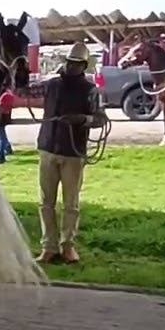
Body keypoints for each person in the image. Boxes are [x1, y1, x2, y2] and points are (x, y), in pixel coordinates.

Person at [36, 41, 102, 265]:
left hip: (73, 152)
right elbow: (23, 90)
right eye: (70, 63)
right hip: (48, 147)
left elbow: (100, 119)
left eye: (77, 64)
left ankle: (67, 246)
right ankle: (49, 247)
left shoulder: (90, 90)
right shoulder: (51, 85)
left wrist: (82, 119)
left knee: (71, 204)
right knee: (46, 203)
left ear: (83, 66)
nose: (72, 67)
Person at [0, 87, 15, 164]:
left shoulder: (0, 93)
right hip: (4, 116)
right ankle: (8, 148)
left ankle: (0, 157)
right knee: (1, 134)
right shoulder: (8, 92)